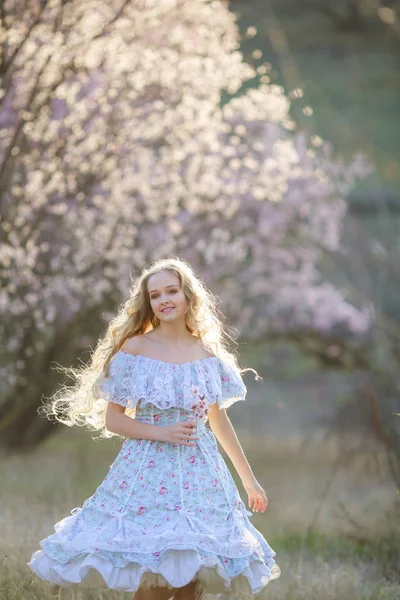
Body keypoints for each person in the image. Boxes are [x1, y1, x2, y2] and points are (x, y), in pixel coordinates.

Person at [28, 257, 281, 599]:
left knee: (191, 580)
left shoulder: (206, 353)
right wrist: (161, 432)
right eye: (155, 295)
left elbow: (218, 421)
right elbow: (114, 419)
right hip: (148, 472)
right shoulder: (137, 349)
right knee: (155, 581)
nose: (164, 300)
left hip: (201, 475)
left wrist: (248, 480)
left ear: (188, 297)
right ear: (148, 303)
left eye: (172, 291)